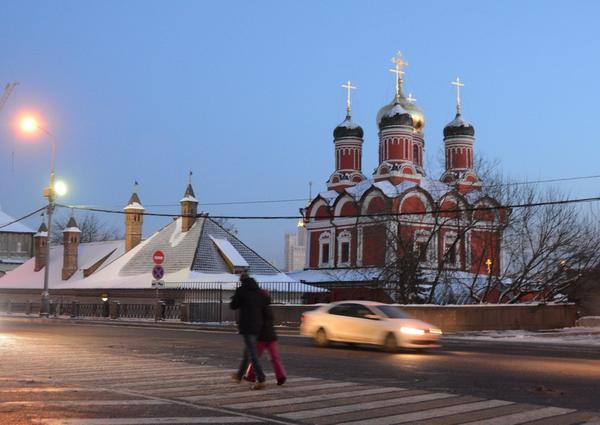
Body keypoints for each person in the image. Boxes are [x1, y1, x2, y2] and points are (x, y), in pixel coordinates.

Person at [230, 273, 267, 390]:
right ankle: (239, 375)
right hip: (258, 325)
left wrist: (234, 298)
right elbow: (264, 304)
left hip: (247, 325)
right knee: (248, 352)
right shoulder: (258, 291)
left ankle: (261, 378)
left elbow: (233, 306)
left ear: (241, 281)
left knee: (252, 353)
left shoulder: (241, 290)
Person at [245, 290, 287, 385]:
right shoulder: (268, 308)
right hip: (272, 336)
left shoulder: (257, 308)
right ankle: (281, 376)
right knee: (275, 358)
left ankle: (251, 375)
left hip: (261, 337)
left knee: (255, 357)